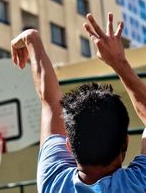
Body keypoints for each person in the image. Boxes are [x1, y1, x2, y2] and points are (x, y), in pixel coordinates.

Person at [11, 12, 146, 193]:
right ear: (125, 143)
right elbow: (50, 101)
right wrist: (118, 62)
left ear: (69, 146)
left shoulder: (54, 182)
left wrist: (32, 39)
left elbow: (50, 100)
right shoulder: (139, 183)